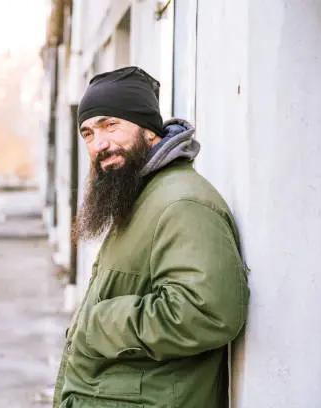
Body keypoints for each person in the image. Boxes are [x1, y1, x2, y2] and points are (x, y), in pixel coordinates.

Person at [53, 66, 250, 408]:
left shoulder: (182, 203)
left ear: (148, 129)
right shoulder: (137, 194)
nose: (100, 144)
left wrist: (98, 323)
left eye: (111, 125)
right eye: (87, 133)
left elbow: (208, 312)